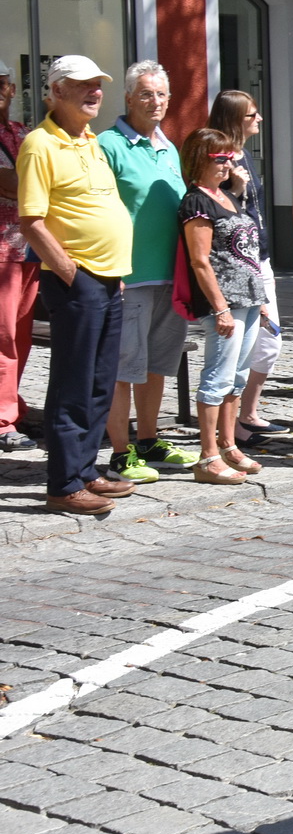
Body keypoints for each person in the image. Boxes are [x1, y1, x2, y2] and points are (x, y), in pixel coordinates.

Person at [17, 56, 136, 514]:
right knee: (73, 383)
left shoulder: (91, 142)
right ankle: (64, 483)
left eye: (98, 85)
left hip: (110, 280)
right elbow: (32, 221)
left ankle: (86, 471)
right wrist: (71, 273)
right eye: (83, 85)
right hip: (77, 282)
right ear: (56, 92)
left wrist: (115, 273)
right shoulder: (39, 144)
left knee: (100, 383)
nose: (95, 92)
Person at [99, 61, 197, 483]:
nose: (154, 101)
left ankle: (148, 440)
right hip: (128, 276)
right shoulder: (107, 144)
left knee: (159, 364)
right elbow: (99, 208)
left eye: (160, 94)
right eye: (145, 94)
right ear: (128, 97)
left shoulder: (169, 146)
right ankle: (120, 453)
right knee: (125, 368)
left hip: (168, 278)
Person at [176, 129, 268, 485]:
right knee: (217, 377)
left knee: (237, 377)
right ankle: (207, 455)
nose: (229, 163)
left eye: (231, 157)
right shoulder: (196, 202)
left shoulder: (227, 196)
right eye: (221, 158)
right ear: (201, 158)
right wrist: (220, 309)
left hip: (248, 298)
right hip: (225, 302)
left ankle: (229, 446)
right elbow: (200, 261)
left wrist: (259, 301)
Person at [208, 91, 286, 449]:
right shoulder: (219, 158)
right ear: (235, 118)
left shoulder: (243, 155)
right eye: (252, 115)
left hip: (259, 257)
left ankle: (246, 414)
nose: (260, 120)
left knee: (268, 342)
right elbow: (217, 209)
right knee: (239, 349)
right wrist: (236, 188)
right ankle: (228, 431)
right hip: (236, 265)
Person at [0, 60, 36, 451]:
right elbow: (10, 184)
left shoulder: (22, 133)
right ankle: (3, 420)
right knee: (4, 335)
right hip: (1, 249)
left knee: (21, 334)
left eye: (3, 83)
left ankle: (10, 403)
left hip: (27, 247)